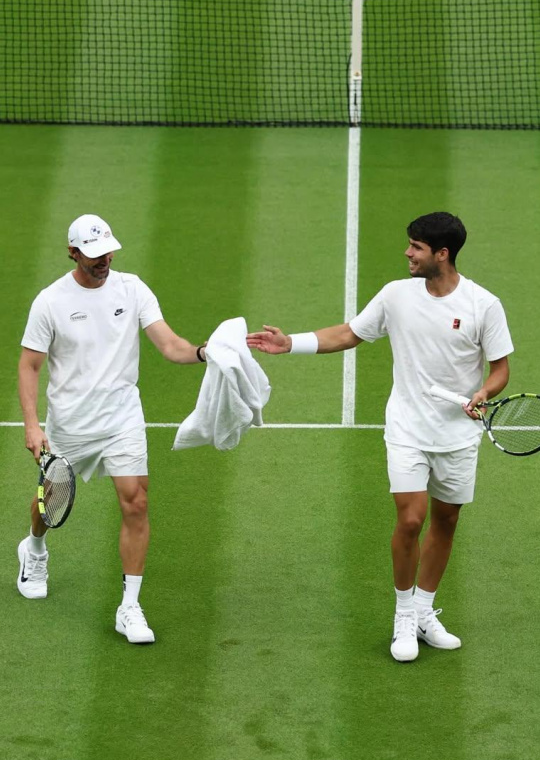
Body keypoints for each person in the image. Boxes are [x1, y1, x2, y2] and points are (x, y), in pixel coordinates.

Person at [247, 212, 514, 663]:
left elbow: (500, 368)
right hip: (407, 428)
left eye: (416, 247)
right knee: (411, 520)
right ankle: (404, 615)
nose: (407, 253)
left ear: (442, 254)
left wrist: (484, 392)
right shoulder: (396, 296)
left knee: (446, 521)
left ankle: (425, 611)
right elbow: (349, 334)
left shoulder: (483, 305)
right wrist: (291, 343)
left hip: (458, 434)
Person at [17, 213, 207, 644]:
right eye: (94, 254)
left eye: (108, 252)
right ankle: (34, 549)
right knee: (50, 502)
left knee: (136, 502)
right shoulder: (50, 302)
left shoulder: (132, 289)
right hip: (71, 423)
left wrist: (203, 352)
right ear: (73, 253)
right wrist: (32, 425)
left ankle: (129, 607)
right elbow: (29, 366)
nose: (104, 260)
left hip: (122, 419)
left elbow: (170, 345)